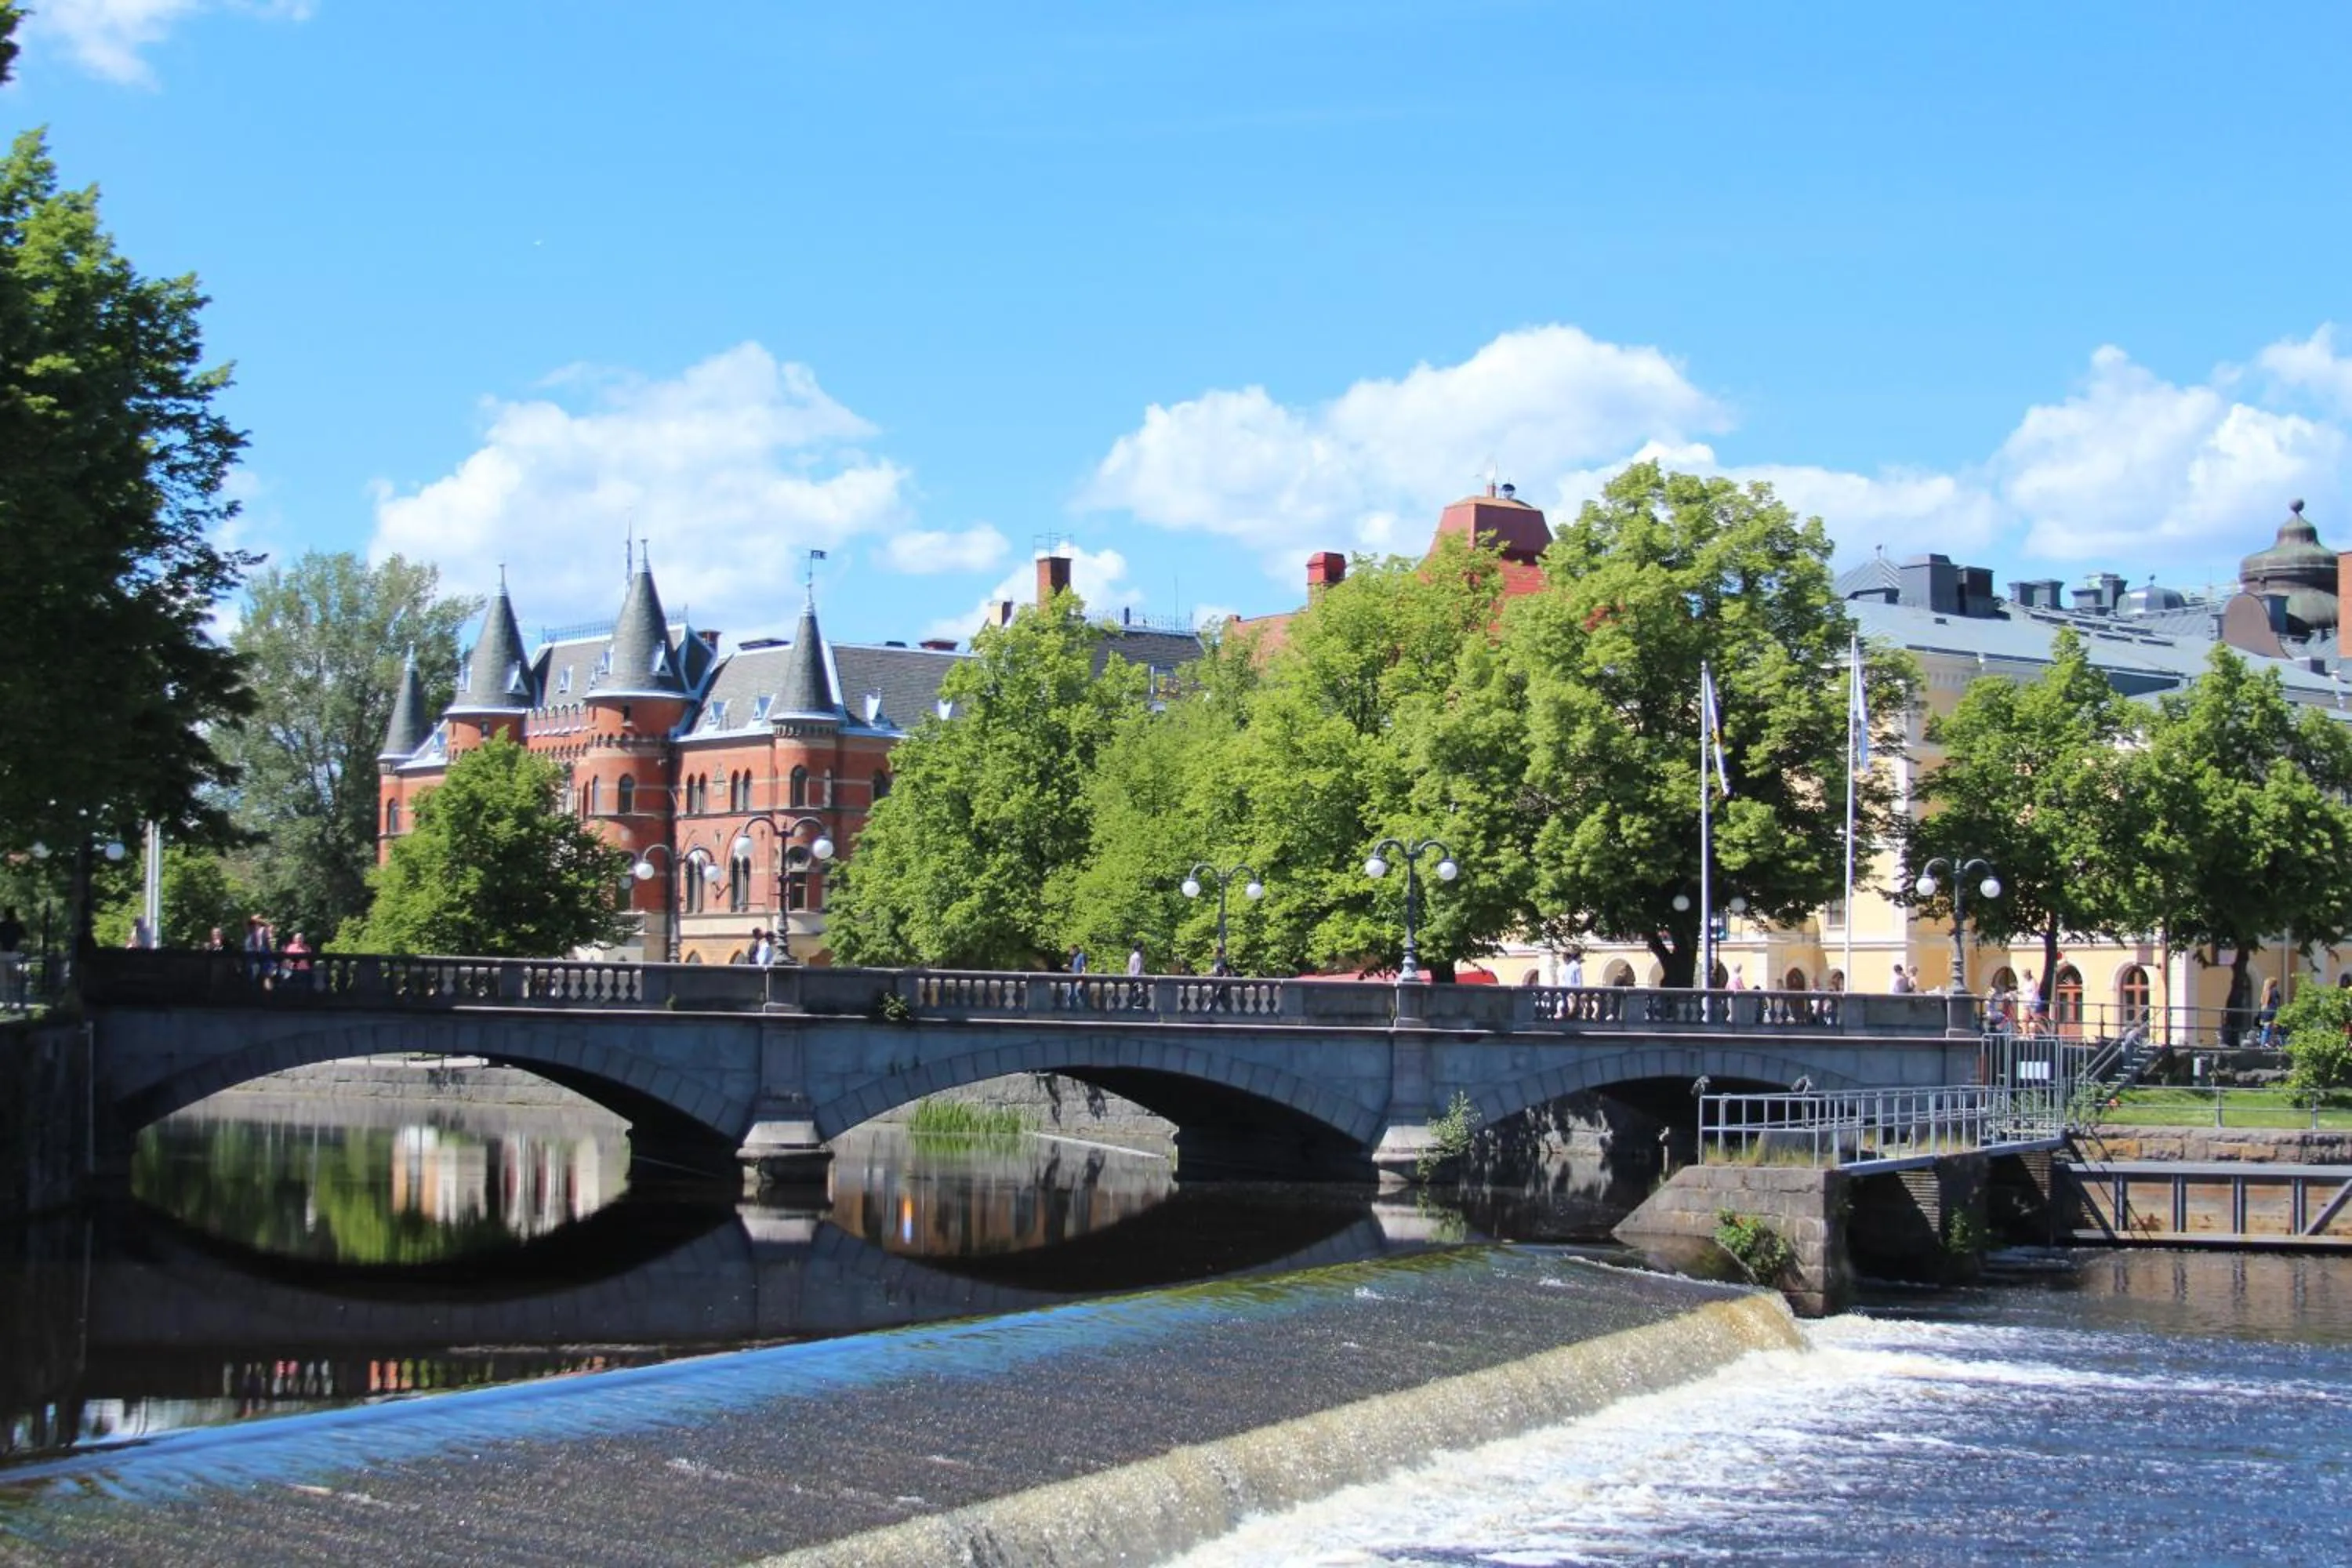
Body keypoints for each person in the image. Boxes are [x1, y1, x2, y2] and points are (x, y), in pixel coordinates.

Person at [0, 906, 24, 1012]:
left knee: (3, 979)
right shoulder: (18, 925)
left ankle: (5, 1002)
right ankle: (11, 1002)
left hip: (2, 953)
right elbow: (25, 936)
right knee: (12, 979)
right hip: (14, 953)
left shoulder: (2, 925)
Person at [2257, 977, 2282, 1048]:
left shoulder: (2265, 992)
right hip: (2271, 1011)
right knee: (2273, 1028)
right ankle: (2266, 1043)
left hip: (2265, 1011)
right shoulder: (2274, 991)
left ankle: (2263, 1044)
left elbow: (2262, 1003)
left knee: (2266, 1028)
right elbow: (2276, 1002)